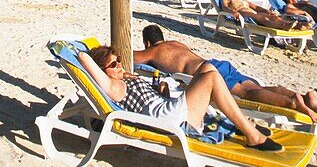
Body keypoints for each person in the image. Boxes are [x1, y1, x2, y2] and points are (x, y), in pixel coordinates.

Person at [79, 45, 281, 151]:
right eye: (113, 65)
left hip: (165, 107)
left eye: (119, 61)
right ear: (102, 71)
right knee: (210, 78)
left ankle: (241, 122)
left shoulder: (123, 78)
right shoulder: (113, 87)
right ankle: (251, 134)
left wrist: (161, 92)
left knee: (208, 68)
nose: (120, 66)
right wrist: (82, 53)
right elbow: (83, 58)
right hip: (166, 118)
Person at [134, 24, 317, 123]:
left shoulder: (153, 50)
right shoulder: (176, 44)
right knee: (255, 88)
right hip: (217, 64)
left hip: (207, 73)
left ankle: (293, 102)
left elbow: (132, 56)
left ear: (148, 42)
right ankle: (304, 96)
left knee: (246, 94)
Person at [218, 0, 306, 30]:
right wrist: (233, 12)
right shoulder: (225, 0)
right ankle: (284, 26)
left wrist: (266, 10)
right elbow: (225, 7)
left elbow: (255, 7)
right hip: (243, 14)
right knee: (264, 19)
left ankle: (297, 25)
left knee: (273, 17)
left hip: (252, 12)